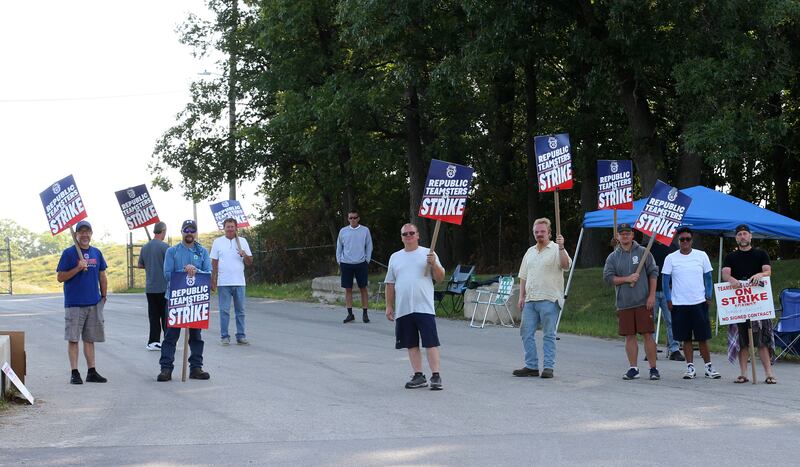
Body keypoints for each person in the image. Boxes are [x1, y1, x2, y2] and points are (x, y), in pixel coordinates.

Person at [384, 223, 445, 390]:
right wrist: (389, 306)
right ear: (401, 237)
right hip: (404, 308)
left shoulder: (428, 253)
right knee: (411, 343)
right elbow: (390, 283)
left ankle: (436, 375)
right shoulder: (395, 257)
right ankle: (418, 375)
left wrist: (434, 264)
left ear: (418, 235)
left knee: (430, 342)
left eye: (412, 233)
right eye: (405, 234)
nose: (409, 236)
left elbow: (440, 278)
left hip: (424, 307)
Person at [513, 217, 571, 379]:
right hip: (530, 300)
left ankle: (548, 367)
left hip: (549, 299)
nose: (539, 234)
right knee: (526, 332)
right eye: (536, 232)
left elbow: (566, 265)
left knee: (548, 334)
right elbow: (523, 275)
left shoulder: (556, 249)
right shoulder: (530, 252)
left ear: (549, 233)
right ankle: (531, 366)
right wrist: (521, 296)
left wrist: (561, 247)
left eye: (542, 232)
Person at [603, 223, 660, 380]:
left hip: (643, 301)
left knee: (648, 334)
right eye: (622, 234)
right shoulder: (613, 257)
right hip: (624, 303)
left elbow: (653, 273)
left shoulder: (643, 252)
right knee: (629, 336)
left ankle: (653, 368)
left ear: (633, 235)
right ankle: (633, 368)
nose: (625, 236)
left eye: (628, 233)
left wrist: (652, 296)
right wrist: (627, 279)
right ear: (618, 236)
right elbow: (608, 278)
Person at [721, 223, 777, 384]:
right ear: (736, 238)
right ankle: (744, 373)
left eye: (745, 234)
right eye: (739, 234)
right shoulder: (730, 257)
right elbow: (725, 274)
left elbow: (768, 271)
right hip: (739, 304)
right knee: (742, 340)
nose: (742, 237)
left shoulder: (761, 254)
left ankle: (769, 374)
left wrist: (760, 274)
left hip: (758, 302)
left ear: (750, 236)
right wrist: (731, 280)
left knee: (762, 340)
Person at [157, 219, 212, 382]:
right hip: (175, 299)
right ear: (181, 232)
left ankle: (196, 368)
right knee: (170, 336)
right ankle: (166, 369)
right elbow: (167, 274)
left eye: (192, 230)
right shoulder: (172, 252)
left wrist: (197, 270)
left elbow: (208, 273)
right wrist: (184, 270)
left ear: (196, 232)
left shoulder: (202, 252)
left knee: (196, 336)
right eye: (186, 230)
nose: (189, 233)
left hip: (196, 300)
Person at [662, 227, 720, 380]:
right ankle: (690, 367)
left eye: (688, 239)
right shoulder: (671, 258)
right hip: (679, 304)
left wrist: (708, 296)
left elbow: (708, 277)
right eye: (682, 239)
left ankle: (708, 367)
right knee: (685, 338)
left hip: (699, 302)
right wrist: (668, 299)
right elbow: (665, 280)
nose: (685, 242)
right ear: (678, 241)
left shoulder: (701, 256)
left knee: (703, 337)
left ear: (692, 240)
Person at [56, 220, 108, 385]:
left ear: (91, 234)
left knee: (90, 339)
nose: (85, 235)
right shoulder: (69, 253)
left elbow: (102, 275)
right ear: (76, 234)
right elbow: (60, 277)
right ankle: (75, 372)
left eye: (87, 232)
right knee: (73, 339)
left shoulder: (96, 253)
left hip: (93, 302)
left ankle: (91, 371)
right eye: (81, 232)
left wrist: (104, 296)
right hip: (75, 304)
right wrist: (78, 268)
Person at [211, 218, 253, 345]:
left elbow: (250, 262)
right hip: (223, 282)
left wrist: (244, 254)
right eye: (227, 227)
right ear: (224, 228)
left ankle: (241, 335)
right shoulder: (218, 242)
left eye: (232, 227)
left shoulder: (243, 241)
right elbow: (214, 262)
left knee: (240, 311)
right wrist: (213, 279)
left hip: (239, 282)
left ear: (236, 228)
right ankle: (225, 336)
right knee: (224, 310)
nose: (230, 229)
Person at [650, 240, 685, 361]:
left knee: (672, 320)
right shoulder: (647, 247)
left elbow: (679, 266)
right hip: (651, 291)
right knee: (650, 321)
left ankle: (674, 349)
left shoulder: (673, 247)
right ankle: (651, 349)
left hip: (669, 290)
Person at [337, 210, 373, 323]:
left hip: (361, 263)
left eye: (354, 217)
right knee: (348, 289)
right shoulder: (343, 231)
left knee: (363, 288)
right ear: (348, 219)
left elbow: (369, 245)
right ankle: (350, 314)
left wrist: (367, 260)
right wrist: (339, 260)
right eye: (350, 218)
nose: (352, 220)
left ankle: (365, 313)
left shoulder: (365, 230)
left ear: (358, 218)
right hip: (346, 263)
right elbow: (339, 247)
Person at [137, 221, 169, 351]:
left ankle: (153, 341)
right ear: (163, 231)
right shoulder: (165, 247)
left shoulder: (145, 247)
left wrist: (150, 265)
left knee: (154, 316)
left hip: (150, 287)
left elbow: (140, 265)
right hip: (163, 286)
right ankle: (168, 340)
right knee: (165, 315)